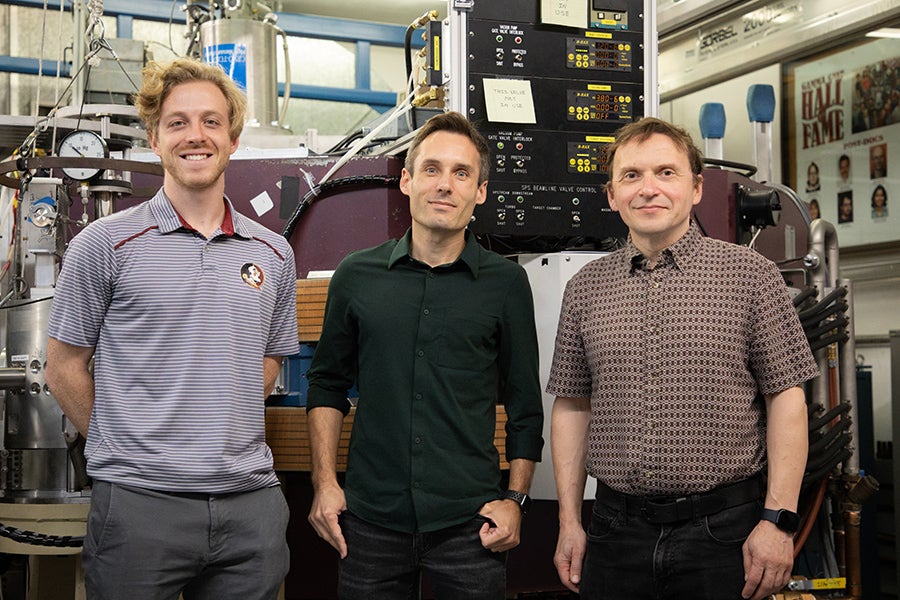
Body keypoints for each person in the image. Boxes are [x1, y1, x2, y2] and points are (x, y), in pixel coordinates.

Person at [45, 58, 299, 599]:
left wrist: (215, 431)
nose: (195, 136)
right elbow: (62, 366)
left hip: (250, 507)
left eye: (210, 121)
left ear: (232, 138)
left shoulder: (273, 253)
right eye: (177, 122)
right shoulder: (103, 244)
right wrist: (125, 445)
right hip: (140, 508)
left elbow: (269, 360)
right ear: (154, 139)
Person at [547, 117, 818, 600]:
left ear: (695, 188)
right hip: (614, 532)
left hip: (724, 534)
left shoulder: (750, 275)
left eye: (666, 173)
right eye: (631, 176)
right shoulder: (585, 289)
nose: (648, 189)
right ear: (612, 195)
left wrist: (778, 520)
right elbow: (572, 406)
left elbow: (787, 398)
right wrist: (570, 521)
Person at [306, 111, 543, 600]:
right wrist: (325, 483)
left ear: (479, 192)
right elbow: (326, 383)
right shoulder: (356, 275)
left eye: (462, 173)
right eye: (432, 169)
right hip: (370, 523)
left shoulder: (506, 284)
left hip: (470, 525)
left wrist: (516, 498)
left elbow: (525, 405)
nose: (445, 185)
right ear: (407, 181)